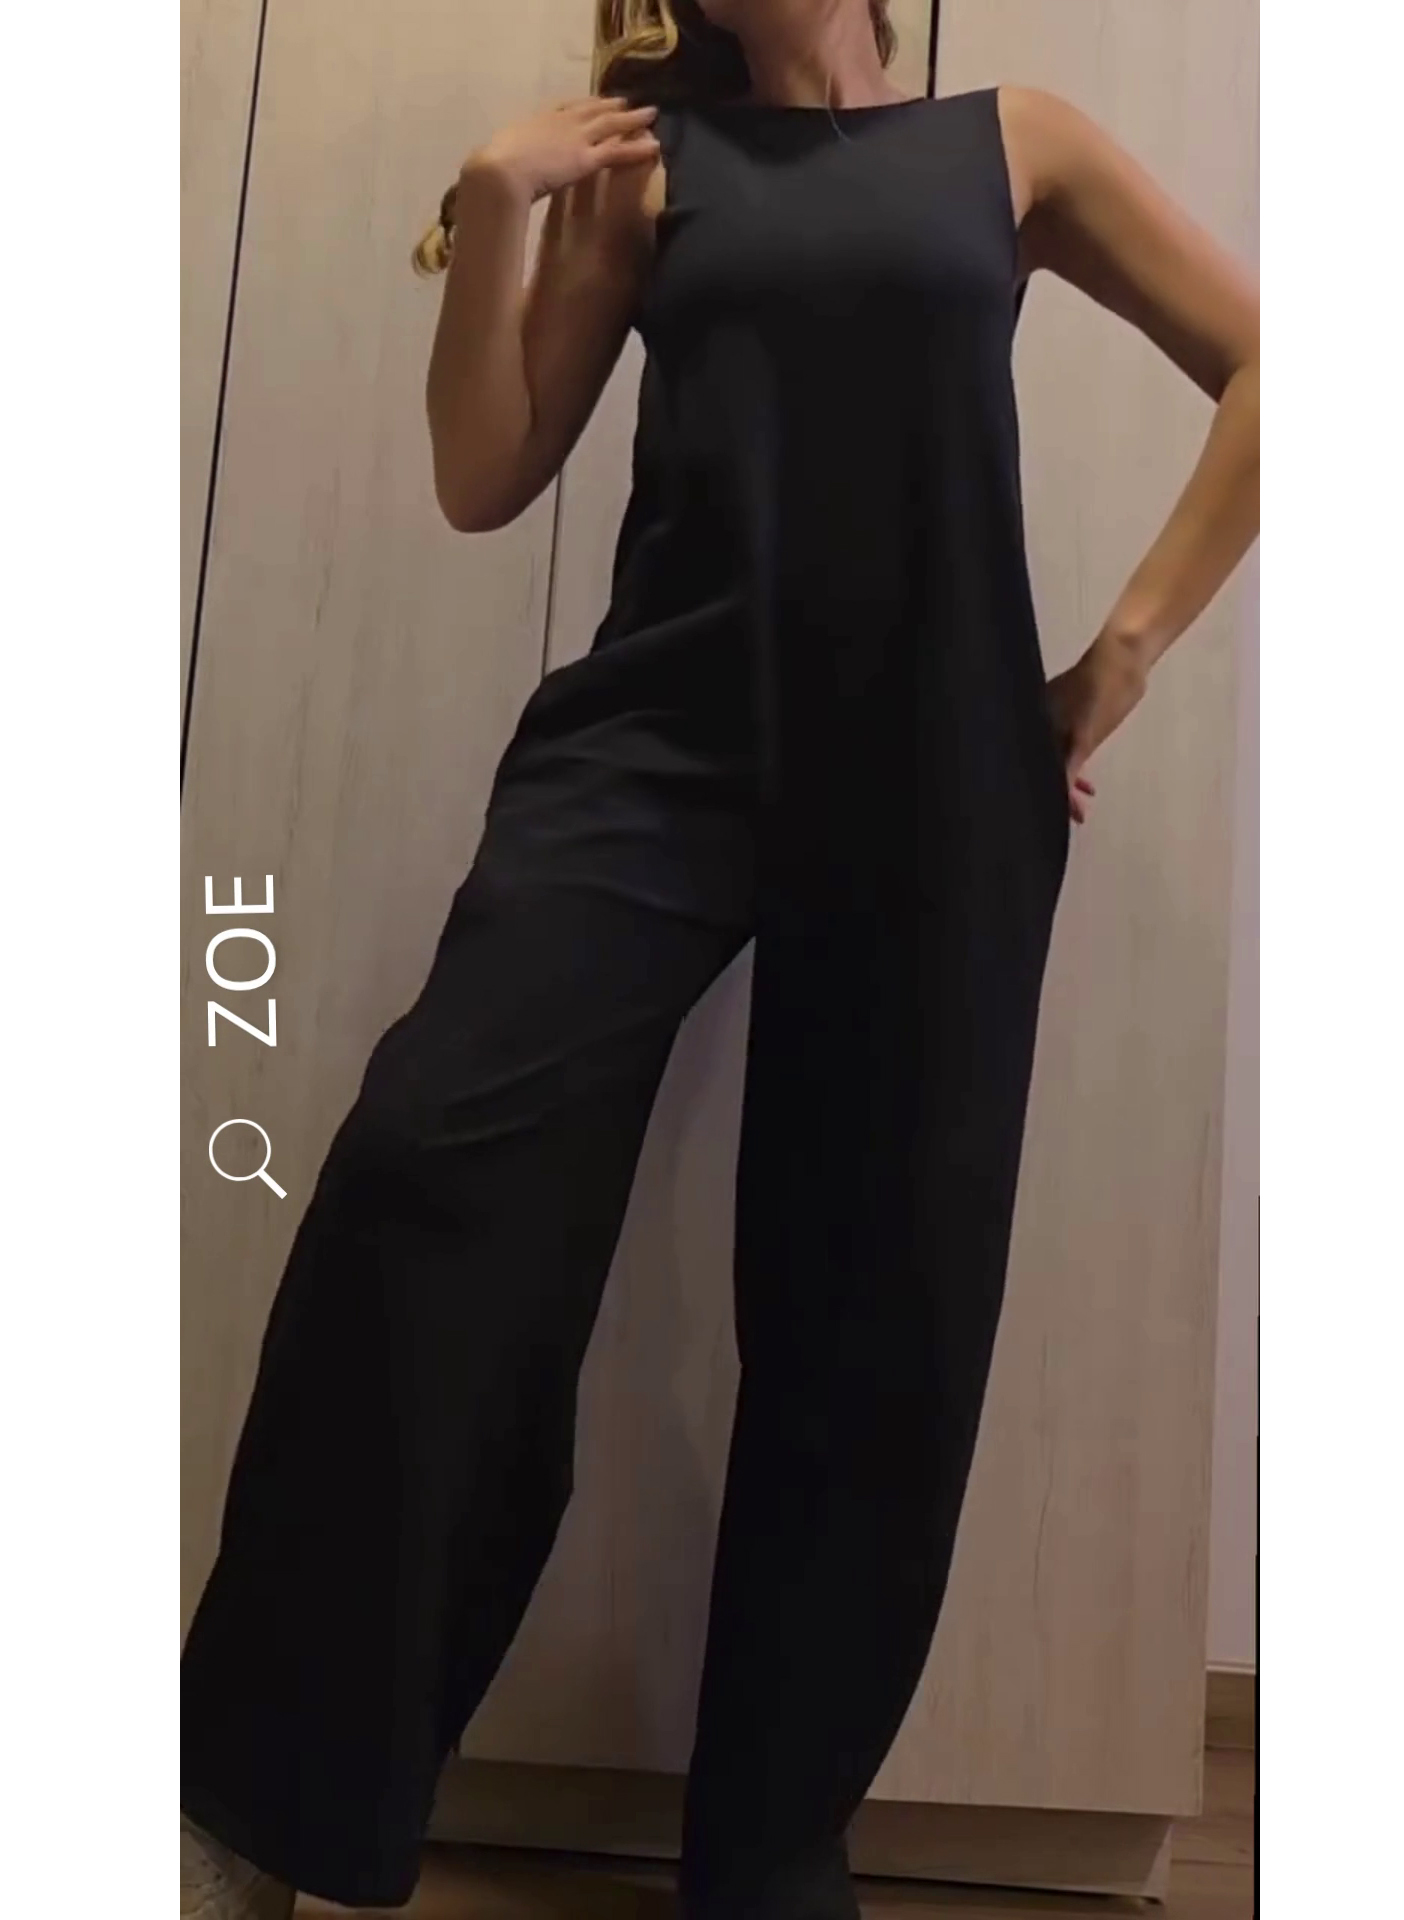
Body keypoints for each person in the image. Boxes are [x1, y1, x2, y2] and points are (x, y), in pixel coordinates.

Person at [180, 1, 1260, 1916]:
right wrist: (499, 205)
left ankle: (766, 1863)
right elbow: (482, 473)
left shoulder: (1015, 143)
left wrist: (1119, 659)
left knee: (879, 1313)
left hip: (933, 767)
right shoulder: (647, 167)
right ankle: (276, 1801)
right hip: (657, 749)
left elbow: (1281, 364)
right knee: (428, 1161)